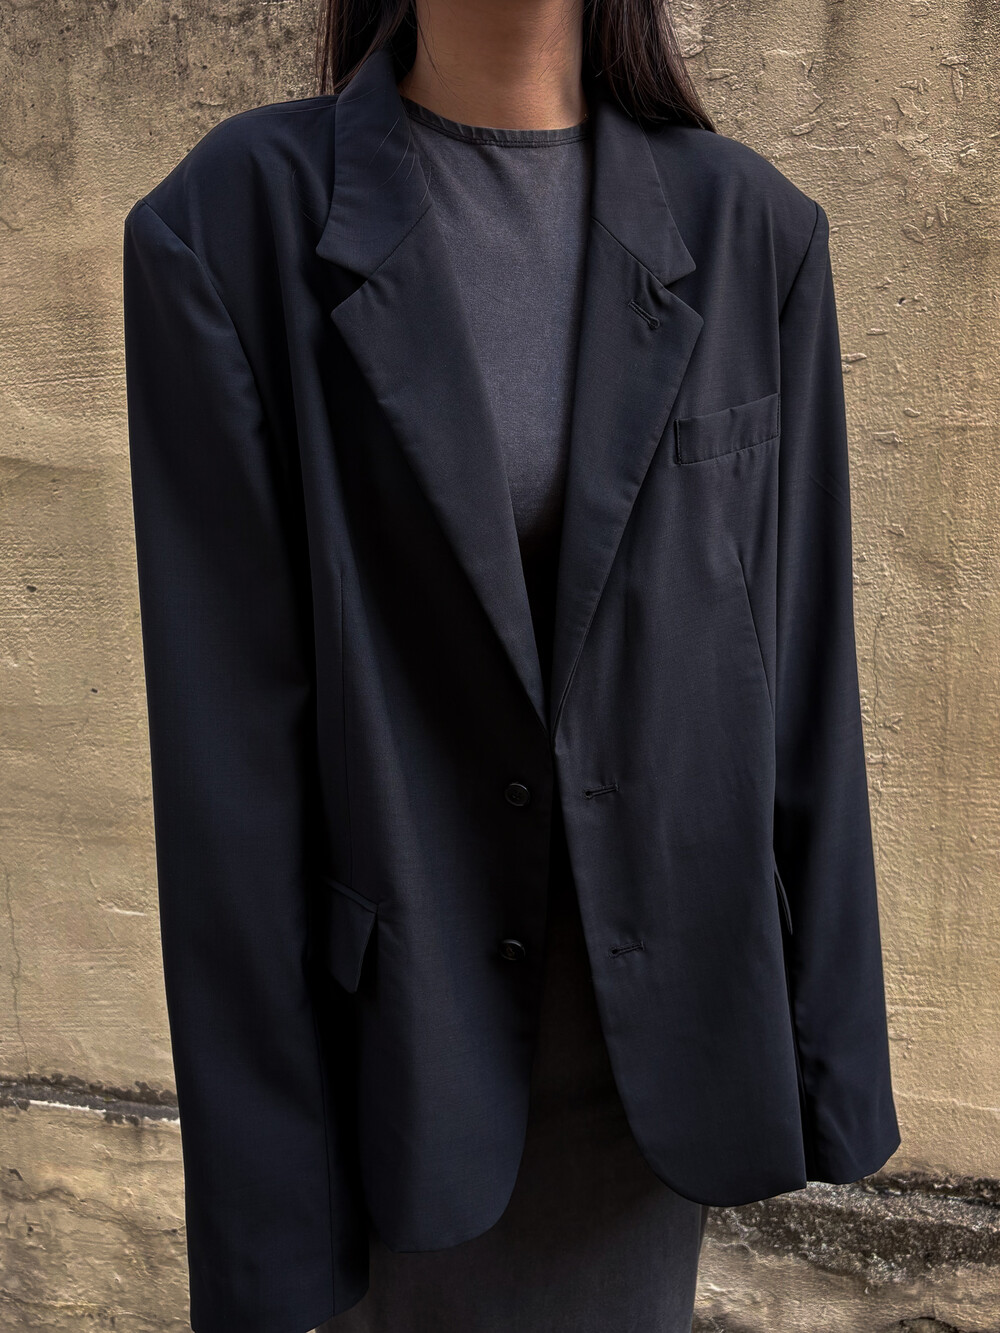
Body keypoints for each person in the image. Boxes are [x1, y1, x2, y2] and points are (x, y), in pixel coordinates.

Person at [121, 2, 901, 1331]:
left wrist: (832, 1066)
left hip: (651, 1072)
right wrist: (266, 1221)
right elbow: (228, 777)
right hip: (392, 1069)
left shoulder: (750, 230)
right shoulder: (230, 226)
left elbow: (803, 673)